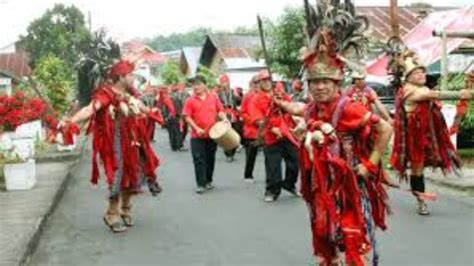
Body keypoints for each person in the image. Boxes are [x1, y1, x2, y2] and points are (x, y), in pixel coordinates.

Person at [62, 60, 163, 233]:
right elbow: (90, 109)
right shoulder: (106, 94)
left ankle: (125, 209)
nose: (133, 77)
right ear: (121, 77)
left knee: (134, 173)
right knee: (117, 174)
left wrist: (154, 114)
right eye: (130, 75)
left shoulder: (130, 93)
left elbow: (141, 107)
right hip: (114, 141)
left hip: (133, 140)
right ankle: (111, 213)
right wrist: (70, 121)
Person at [390, 52, 473, 215]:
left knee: (428, 163)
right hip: (415, 138)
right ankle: (421, 200)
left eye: (422, 72)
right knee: (417, 169)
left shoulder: (423, 87)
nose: (422, 74)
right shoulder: (409, 90)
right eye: (416, 73)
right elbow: (431, 95)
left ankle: (420, 197)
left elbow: (432, 96)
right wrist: (461, 94)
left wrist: (467, 89)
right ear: (408, 78)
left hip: (430, 133)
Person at [250, 72, 300, 202]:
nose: (266, 82)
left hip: (286, 133)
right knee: (273, 165)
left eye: (268, 79)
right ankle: (272, 190)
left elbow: (292, 109)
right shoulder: (256, 100)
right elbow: (258, 120)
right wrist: (272, 128)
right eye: (263, 80)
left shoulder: (281, 94)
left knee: (295, 160)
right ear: (259, 83)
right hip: (270, 137)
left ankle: (289, 183)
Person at [182, 75, 229, 194]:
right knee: (198, 159)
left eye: (197, 84)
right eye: (193, 84)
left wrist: (224, 119)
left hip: (212, 134)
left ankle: (208, 180)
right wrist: (196, 128)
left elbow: (220, 111)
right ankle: (200, 184)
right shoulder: (190, 100)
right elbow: (187, 116)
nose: (195, 86)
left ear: (204, 85)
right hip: (197, 136)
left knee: (210, 158)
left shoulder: (213, 98)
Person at [240, 75, 261, 182]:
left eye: (259, 82)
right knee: (250, 154)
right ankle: (248, 175)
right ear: (252, 84)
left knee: (270, 156)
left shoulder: (266, 96)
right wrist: (253, 121)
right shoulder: (247, 97)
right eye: (255, 83)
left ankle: (271, 177)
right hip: (251, 130)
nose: (257, 85)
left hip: (266, 130)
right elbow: (242, 112)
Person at [217, 74, 240, 162]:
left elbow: (239, 102)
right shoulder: (219, 94)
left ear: (229, 82)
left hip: (233, 116)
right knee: (225, 137)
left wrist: (237, 96)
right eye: (222, 82)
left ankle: (233, 153)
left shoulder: (234, 92)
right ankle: (228, 155)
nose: (224, 84)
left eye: (225, 82)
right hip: (224, 116)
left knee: (234, 135)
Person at [156, 85, 179, 150]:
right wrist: (169, 117)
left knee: (171, 132)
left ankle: (173, 145)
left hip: (167, 117)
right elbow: (172, 110)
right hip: (170, 118)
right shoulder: (166, 99)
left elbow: (159, 107)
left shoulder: (161, 98)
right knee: (174, 132)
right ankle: (174, 146)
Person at [170, 83, 190, 151]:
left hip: (184, 114)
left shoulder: (187, 94)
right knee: (179, 131)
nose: (182, 87)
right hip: (178, 115)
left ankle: (176, 145)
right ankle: (179, 145)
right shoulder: (174, 95)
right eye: (180, 86)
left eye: (183, 86)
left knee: (183, 130)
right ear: (178, 87)